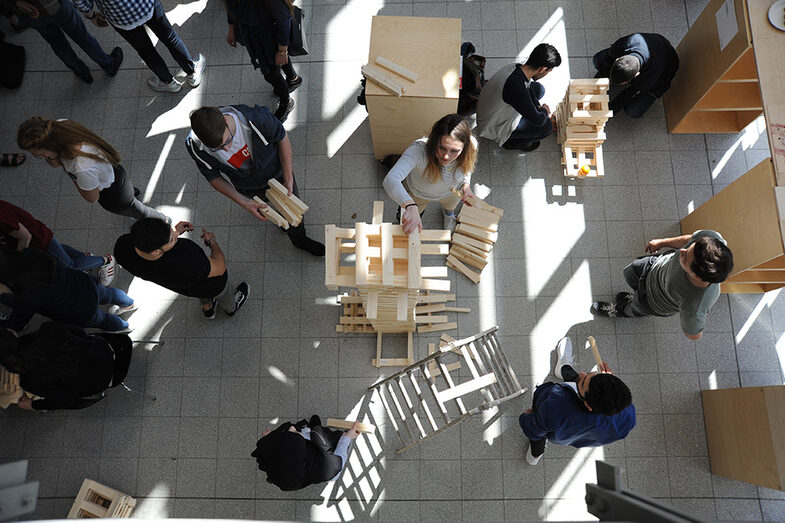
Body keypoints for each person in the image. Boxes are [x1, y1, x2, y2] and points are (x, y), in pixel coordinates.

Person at [186, 105, 324, 256]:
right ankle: (283, 220)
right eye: (217, 148)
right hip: (247, 186)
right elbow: (213, 176)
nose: (226, 149)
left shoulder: (257, 119)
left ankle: (299, 239)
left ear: (226, 119)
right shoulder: (195, 146)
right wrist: (243, 202)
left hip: (278, 174)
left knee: (293, 209)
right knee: (267, 205)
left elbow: (281, 137)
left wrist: (288, 177)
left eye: (228, 141)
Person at [17, 117, 170, 223]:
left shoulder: (82, 168)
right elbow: (57, 163)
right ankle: (132, 194)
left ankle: (163, 220)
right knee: (130, 195)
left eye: (41, 154)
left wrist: (74, 177)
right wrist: (50, 155)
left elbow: (92, 198)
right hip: (115, 172)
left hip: (111, 193)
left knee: (138, 211)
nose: (42, 157)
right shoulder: (62, 126)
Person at [591, 230, 733, 340]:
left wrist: (693, 316)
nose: (681, 252)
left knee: (634, 308)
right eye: (689, 248)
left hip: (654, 301)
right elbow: (689, 239)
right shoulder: (711, 241)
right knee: (629, 272)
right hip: (654, 266)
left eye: (685, 258)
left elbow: (694, 334)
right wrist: (662, 242)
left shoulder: (696, 303)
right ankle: (635, 295)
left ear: (696, 275)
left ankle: (620, 310)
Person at [519, 337, 635, 465]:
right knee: (576, 382)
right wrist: (608, 383)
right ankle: (563, 369)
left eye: (584, 381)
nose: (581, 374)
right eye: (592, 374)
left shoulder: (554, 408)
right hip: (577, 436)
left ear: (587, 404)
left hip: (555, 427)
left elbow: (532, 428)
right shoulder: (628, 416)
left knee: (539, 434)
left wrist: (526, 416)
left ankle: (536, 453)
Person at [113, 217, 249, 319]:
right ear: (156, 251)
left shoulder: (122, 247)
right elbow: (219, 267)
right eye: (171, 239)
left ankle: (207, 307)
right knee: (223, 292)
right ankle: (231, 307)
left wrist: (175, 232)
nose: (174, 234)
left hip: (186, 287)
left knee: (199, 291)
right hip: (212, 283)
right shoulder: (186, 257)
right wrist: (212, 242)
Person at [73, 0, 205, 92]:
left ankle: (168, 82)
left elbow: (81, 2)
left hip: (120, 17)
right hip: (146, 5)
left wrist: (91, 15)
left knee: (146, 50)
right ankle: (192, 72)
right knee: (170, 38)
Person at [0, 321, 130, 410]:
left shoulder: (29, 380)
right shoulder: (48, 328)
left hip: (103, 380)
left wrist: (33, 405)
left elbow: (66, 400)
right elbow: (81, 332)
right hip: (108, 349)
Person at [0, 247, 135, 332]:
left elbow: (17, 324)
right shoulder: (31, 254)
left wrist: (5, 291)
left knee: (102, 320)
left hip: (77, 309)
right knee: (107, 293)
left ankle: (124, 326)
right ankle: (129, 303)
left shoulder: (26, 296)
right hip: (83, 283)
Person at [382, 114, 477, 234]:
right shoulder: (418, 150)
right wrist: (410, 205)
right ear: (434, 141)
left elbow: (466, 167)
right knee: (412, 215)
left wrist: (466, 185)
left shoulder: (471, 146)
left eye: (454, 151)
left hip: (451, 192)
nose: (446, 156)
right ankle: (416, 213)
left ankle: (448, 215)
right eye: (442, 148)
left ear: (465, 147)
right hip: (417, 194)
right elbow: (390, 180)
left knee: (450, 207)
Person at [0, 0, 122, 83]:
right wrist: (90, 14)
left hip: (30, 15)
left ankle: (83, 73)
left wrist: (14, 2)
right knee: (82, 37)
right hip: (55, 6)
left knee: (58, 44)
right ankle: (108, 65)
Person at [0, 200, 115, 285]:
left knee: (70, 266)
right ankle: (85, 258)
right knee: (59, 250)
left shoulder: (2, 218)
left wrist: (19, 260)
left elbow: (25, 237)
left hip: (39, 241)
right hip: (38, 236)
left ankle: (106, 261)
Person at [475, 43, 561, 152]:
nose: (547, 74)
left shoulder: (516, 67)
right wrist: (544, 111)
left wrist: (538, 107)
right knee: (546, 126)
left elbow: (528, 88)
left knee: (539, 89)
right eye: (548, 71)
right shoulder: (516, 88)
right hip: (490, 123)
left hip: (490, 106)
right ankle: (510, 142)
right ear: (542, 69)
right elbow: (538, 121)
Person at [225, 0, 301, 122]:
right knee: (276, 63)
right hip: (256, 36)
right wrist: (231, 29)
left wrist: (282, 51)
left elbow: (284, 19)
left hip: (268, 38)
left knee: (271, 75)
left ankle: (286, 102)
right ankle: (293, 78)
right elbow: (230, 6)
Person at [251, 416, 359, 491]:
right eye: (293, 431)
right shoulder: (329, 467)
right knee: (319, 434)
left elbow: (275, 454)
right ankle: (314, 427)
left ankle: (310, 429)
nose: (292, 427)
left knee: (296, 434)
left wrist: (269, 439)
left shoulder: (282, 475)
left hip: (303, 472)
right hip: (327, 462)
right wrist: (348, 436)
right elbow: (341, 454)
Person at [592, 33, 679, 118]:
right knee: (598, 60)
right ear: (617, 60)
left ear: (636, 75)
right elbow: (607, 62)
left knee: (633, 111)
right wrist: (595, 88)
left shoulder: (649, 77)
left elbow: (627, 94)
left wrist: (608, 112)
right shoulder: (627, 43)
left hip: (664, 72)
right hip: (653, 44)